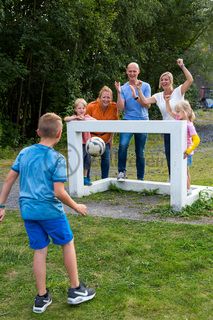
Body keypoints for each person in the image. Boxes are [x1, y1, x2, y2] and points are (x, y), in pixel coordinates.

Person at [0, 113, 96, 314]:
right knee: (67, 243)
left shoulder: (24, 152)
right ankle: (76, 289)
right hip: (50, 211)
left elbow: (8, 180)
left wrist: (1, 206)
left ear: (38, 132)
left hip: (28, 211)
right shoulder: (57, 158)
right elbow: (58, 192)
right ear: (60, 134)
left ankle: (41, 297)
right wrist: (76, 206)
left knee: (40, 250)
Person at [135, 58, 193, 176]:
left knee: (182, 157)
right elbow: (145, 101)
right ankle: (173, 181)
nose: (164, 81)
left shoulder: (178, 91)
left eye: (166, 79)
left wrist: (182, 66)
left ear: (171, 81)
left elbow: (190, 80)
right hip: (168, 130)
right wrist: (139, 89)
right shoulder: (158, 96)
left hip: (181, 129)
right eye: (162, 80)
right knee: (170, 156)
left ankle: (185, 187)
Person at [115, 62, 151, 180]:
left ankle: (140, 178)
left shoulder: (145, 86)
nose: (132, 73)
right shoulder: (123, 88)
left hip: (142, 121)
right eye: (130, 71)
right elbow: (120, 108)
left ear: (138, 71)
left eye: (134, 71)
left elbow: (147, 105)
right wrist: (119, 92)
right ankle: (121, 172)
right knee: (123, 145)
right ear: (126, 72)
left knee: (140, 151)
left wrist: (136, 94)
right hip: (128, 120)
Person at [165, 98, 200, 193]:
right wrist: (167, 102)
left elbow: (196, 140)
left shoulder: (189, 125)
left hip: (186, 153)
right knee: (180, 171)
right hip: (178, 151)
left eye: (178, 111)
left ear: (186, 112)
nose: (176, 113)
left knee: (185, 171)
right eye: (176, 111)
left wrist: (188, 151)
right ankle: (182, 189)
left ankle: (188, 190)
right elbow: (169, 111)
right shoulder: (178, 119)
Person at [86, 86, 118, 179]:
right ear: (99, 97)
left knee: (106, 159)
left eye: (108, 97)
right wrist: (88, 139)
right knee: (87, 159)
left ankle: (105, 179)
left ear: (111, 98)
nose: (106, 99)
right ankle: (86, 179)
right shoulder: (91, 106)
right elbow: (84, 122)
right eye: (104, 97)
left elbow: (115, 125)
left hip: (106, 138)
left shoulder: (114, 107)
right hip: (91, 137)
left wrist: (111, 139)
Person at [64, 98, 96, 186]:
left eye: (83, 108)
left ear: (86, 109)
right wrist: (73, 117)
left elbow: (95, 121)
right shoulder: (74, 118)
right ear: (75, 109)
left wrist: (84, 120)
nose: (81, 110)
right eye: (79, 108)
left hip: (87, 143)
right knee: (79, 160)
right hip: (78, 144)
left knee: (87, 161)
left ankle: (85, 178)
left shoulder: (87, 117)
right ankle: (78, 178)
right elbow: (65, 119)